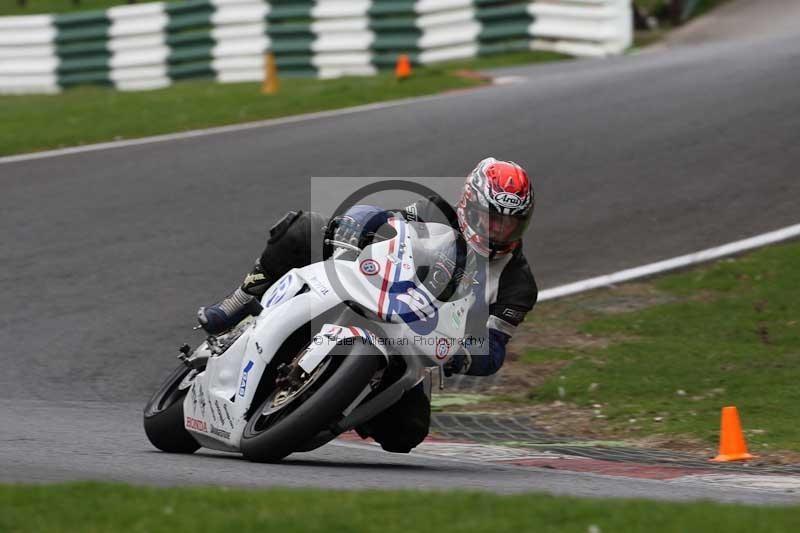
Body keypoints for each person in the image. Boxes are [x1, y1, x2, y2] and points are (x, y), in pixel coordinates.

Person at [197, 157, 538, 452]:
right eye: (492, 217)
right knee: (304, 229)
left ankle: (337, 397)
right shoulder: (437, 210)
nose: (500, 230)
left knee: (406, 434)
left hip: (416, 340)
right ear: (469, 203)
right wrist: (348, 241)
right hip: (374, 284)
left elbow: (494, 349)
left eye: (511, 222)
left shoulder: (517, 284)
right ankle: (238, 301)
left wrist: (462, 356)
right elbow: (377, 218)